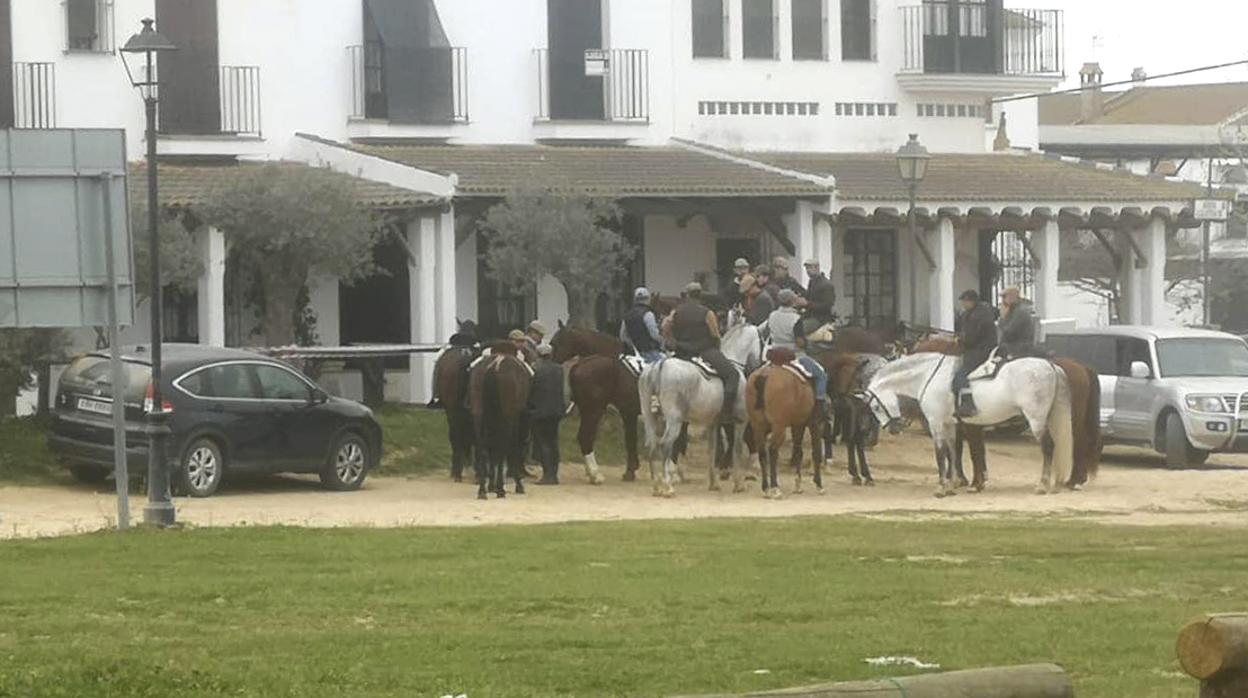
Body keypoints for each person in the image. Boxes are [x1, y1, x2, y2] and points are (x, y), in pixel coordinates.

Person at [668, 282, 738, 424]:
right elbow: (715, 335)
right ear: (700, 295)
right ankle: (726, 412)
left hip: (681, 352)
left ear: (686, 295)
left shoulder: (675, 312)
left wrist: (676, 344)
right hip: (704, 351)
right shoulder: (707, 313)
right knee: (732, 374)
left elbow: (668, 330)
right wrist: (718, 349)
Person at [767, 289, 830, 420]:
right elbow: (800, 342)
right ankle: (819, 406)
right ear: (792, 301)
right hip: (794, 356)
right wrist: (810, 344)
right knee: (821, 374)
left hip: (774, 355)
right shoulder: (795, 319)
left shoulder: (772, 315)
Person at [952, 289, 997, 417]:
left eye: (965, 302)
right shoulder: (973, 313)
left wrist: (960, 340)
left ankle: (968, 404)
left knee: (959, 376)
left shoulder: (977, 316)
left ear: (971, 301)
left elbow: (971, 338)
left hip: (981, 350)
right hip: (981, 347)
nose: (963, 305)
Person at [528, 344, 564, 485]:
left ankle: (547, 475)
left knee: (542, 442)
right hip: (556, 410)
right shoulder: (559, 369)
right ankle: (554, 473)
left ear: (538, 354)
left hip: (539, 410)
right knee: (553, 442)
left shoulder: (534, 368)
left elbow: (531, 388)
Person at [620, 287, 664, 363]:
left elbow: (623, 336)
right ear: (648, 299)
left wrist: (633, 346)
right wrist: (663, 341)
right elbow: (655, 335)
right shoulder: (648, 314)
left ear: (635, 299)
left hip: (633, 354)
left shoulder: (627, 315)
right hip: (650, 352)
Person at [997, 286, 1036, 359]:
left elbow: (1009, 332)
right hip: (1012, 348)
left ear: (1012, 296)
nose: (1003, 301)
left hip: (1019, 350)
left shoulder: (1020, 312)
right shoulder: (1012, 311)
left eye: (1004, 297)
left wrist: (1002, 318)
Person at [802, 259, 837, 328]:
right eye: (806, 268)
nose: (808, 271)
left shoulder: (826, 285)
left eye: (810, 267)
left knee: (800, 329)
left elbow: (827, 305)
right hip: (809, 316)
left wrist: (807, 304)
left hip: (821, 319)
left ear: (817, 268)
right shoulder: (812, 282)